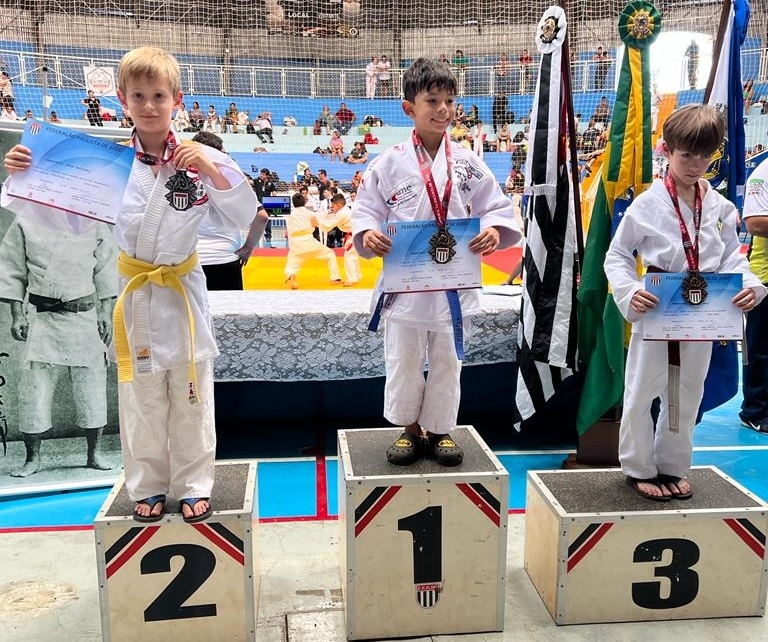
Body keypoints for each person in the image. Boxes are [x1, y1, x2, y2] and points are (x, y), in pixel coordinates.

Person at [3, 47, 258, 522]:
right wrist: (25, 173)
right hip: (136, 292)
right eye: (138, 96)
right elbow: (66, 219)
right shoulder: (110, 164)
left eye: (158, 95)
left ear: (176, 99)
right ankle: (148, 485)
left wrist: (210, 168)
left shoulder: (201, 160)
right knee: (141, 399)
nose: (148, 105)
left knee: (192, 396)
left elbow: (243, 214)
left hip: (182, 292)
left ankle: (194, 484)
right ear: (122, 100)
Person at [351, 57, 521, 467]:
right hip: (405, 284)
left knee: (448, 360)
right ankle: (410, 429)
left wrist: (493, 230)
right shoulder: (387, 162)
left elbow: (496, 207)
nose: (443, 109)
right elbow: (367, 210)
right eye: (432, 101)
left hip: (452, 282)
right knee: (404, 359)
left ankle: (441, 429)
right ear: (409, 107)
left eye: (450, 100)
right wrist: (368, 233)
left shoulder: (467, 161)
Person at [603, 104, 766, 501]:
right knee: (642, 390)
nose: (695, 165)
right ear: (667, 149)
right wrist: (629, 291)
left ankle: (672, 466)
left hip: (703, 310)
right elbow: (617, 255)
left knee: (688, 391)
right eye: (687, 154)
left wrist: (749, 285)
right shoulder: (647, 204)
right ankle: (638, 467)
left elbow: (732, 258)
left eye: (705, 155)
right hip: (658, 306)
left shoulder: (721, 207)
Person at [0, 212, 118, 478]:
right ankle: (32, 458)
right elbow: (11, 269)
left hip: (83, 314)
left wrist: (105, 311)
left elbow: (106, 268)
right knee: (33, 390)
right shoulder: (26, 220)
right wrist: (17, 315)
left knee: (91, 386)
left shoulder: (92, 220)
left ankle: (94, 454)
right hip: (41, 316)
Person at [192, 131, 268, 288]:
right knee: (228, 305)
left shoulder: (178, 178)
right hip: (224, 258)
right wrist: (248, 247)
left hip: (188, 261)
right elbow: (262, 217)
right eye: (224, 153)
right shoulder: (233, 181)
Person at [739, 157, 768, 433]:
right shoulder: (763, 172)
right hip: (766, 275)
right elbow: (755, 223)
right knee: (761, 349)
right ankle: (755, 410)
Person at [284, 192, 342, 289]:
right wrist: (331, 211)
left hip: (296, 244)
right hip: (309, 241)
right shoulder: (309, 214)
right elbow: (321, 216)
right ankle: (335, 278)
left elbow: (289, 232)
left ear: (293, 203)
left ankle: (293, 279)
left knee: (291, 264)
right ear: (304, 201)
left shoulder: (290, 216)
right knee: (330, 254)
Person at [317, 193, 360, 286]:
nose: (332, 208)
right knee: (353, 256)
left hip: (354, 235)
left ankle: (352, 279)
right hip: (355, 234)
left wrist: (317, 223)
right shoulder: (344, 210)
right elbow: (330, 216)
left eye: (333, 206)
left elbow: (328, 226)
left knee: (349, 256)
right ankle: (356, 276)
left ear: (339, 205)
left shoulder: (342, 213)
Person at [253, 167, 277, 248]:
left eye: (263, 174)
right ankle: (256, 236)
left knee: (267, 221)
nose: (261, 175)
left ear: (267, 176)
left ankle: (268, 236)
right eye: (261, 174)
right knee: (257, 221)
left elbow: (274, 194)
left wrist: (274, 203)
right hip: (258, 205)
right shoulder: (257, 181)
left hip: (267, 205)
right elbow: (250, 182)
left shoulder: (271, 184)